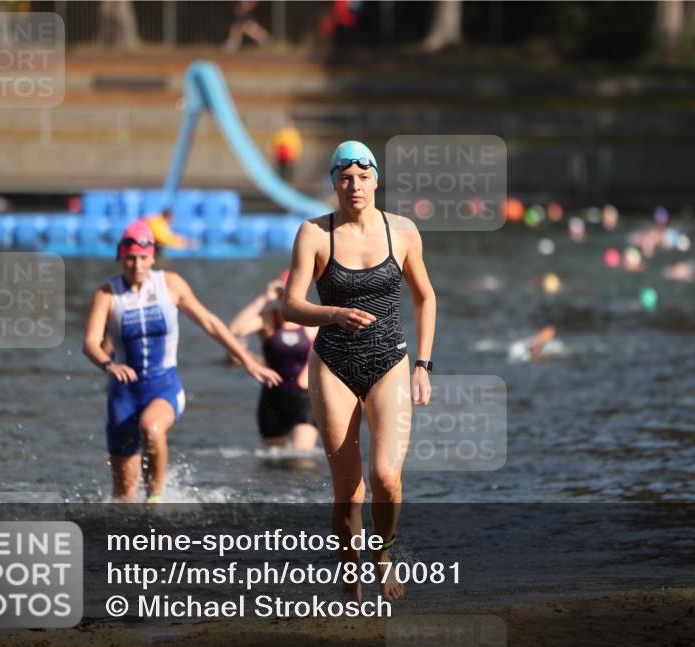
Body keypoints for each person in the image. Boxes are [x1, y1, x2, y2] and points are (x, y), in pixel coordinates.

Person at [282, 140, 436, 602]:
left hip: (390, 360)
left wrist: (424, 365)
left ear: (375, 181)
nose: (355, 186)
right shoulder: (314, 233)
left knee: (387, 478)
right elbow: (289, 305)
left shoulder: (403, 231)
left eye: (363, 177)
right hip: (333, 363)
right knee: (350, 489)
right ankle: (350, 578)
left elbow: (425, 297)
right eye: (345, 178)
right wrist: (332, 314)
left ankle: (382, 559)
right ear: (333, 183)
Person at [83, 221, 280, 502]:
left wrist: (247, 360)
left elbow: (211, 323)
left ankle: (155, 499)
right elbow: (90, 342)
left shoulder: (171, 285)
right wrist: (109, 365)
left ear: (152, 257)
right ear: (120, 257)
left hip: (163, 386)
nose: (136, 265)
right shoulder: (107, 294)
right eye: (130, 258)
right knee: (124, 493)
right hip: (123, 394)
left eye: (142, 258)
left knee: (151, 428)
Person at [229, 270, 319, 456]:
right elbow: (234, 331)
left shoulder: (312, 322)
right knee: (273, 463)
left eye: (293, 292)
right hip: (272, 399)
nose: (287, 297)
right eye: (283, 292)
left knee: (302, 459)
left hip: (303, 399)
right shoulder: (268, 319)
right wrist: (263, 298)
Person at [271, 119, 302, 184]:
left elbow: (297, 145)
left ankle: (290, 184)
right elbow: (275, 144)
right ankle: (282, 183)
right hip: (282, 156)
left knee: (290, 172)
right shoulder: (280, 133)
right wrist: (274, 154)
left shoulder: (294, 133)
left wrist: (296, 155)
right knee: (282, 171)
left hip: (290, 156)